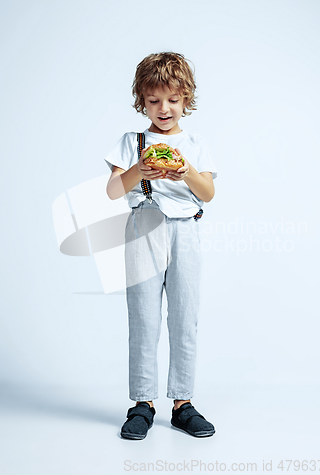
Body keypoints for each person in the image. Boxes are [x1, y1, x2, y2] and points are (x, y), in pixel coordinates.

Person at [105, 52, 217, 440]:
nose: (163, 108)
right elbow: (113, 191)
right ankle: (142, 402)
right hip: (144, 226)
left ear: (186, 98)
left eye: (172, 99)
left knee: (185, 317)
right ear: (142, 100)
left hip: (185, 230)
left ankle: (182, 403)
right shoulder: (132, 142)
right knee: (144, 318)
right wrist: (141, 169)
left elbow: (209, 193)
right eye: (153, 100)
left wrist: (185, 170)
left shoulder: (196, 143)